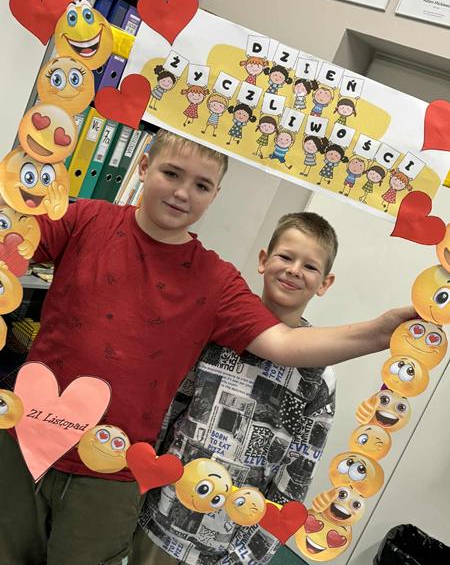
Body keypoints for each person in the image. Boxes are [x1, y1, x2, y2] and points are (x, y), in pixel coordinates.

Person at [0, 129, 414, 564]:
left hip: (112, 471)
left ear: (215, 194)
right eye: (171, 173)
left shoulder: (216, 282)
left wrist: (380, 332)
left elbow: (287, 344)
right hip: (24, 439)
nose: (182, 193)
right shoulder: (84, 220)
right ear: (144, 166)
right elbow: (12, 237)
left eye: (201, 185)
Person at [130, 212, 339, 564]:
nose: (294, 270)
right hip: (161, 520)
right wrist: (137, 495)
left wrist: (250, 553)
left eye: (309, 266)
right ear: (263, 260)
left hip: (227, 546)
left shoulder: (318, 375)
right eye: (286, 257)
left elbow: (298, 472)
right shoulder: (216, 334)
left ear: (324, 283)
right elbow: (168, 413)